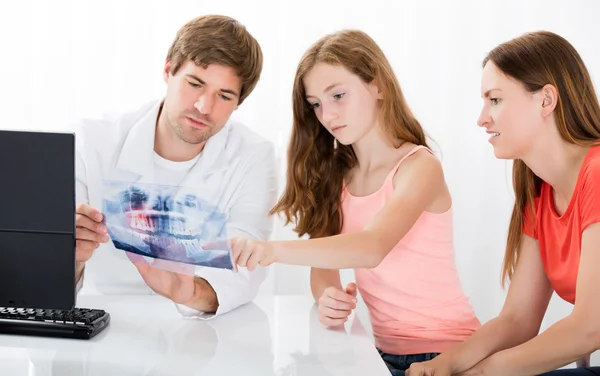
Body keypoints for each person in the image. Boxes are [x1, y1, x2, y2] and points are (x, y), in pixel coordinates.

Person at [230, 29, 480, 375]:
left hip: (450, 353)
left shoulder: (419, 167)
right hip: (382, 354)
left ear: (377, 85)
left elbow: (371, 247)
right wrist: (327, 296)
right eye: (316, 104)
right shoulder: (338, 176)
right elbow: (324, 268)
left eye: (338, 95)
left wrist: (270, 250)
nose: (327, 114)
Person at [404, 31, 600, 375]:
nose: (482, 118)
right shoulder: (539, 195)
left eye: (494, 99)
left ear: (546, 100)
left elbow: (590, 326)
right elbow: (518, 319)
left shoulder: (597, 174)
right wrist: (444, 366)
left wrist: (483, 372)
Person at [74, 14, 278, 319]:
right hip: (105, 320)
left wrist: (190, 292)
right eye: (195, 84)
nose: (203, 107)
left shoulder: (254, 157)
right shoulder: (91, 143)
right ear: (169, 70)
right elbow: (43, 273)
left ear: (239, 103)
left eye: (224, 95)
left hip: (201, 331)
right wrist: (70, 257)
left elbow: (246, 260)